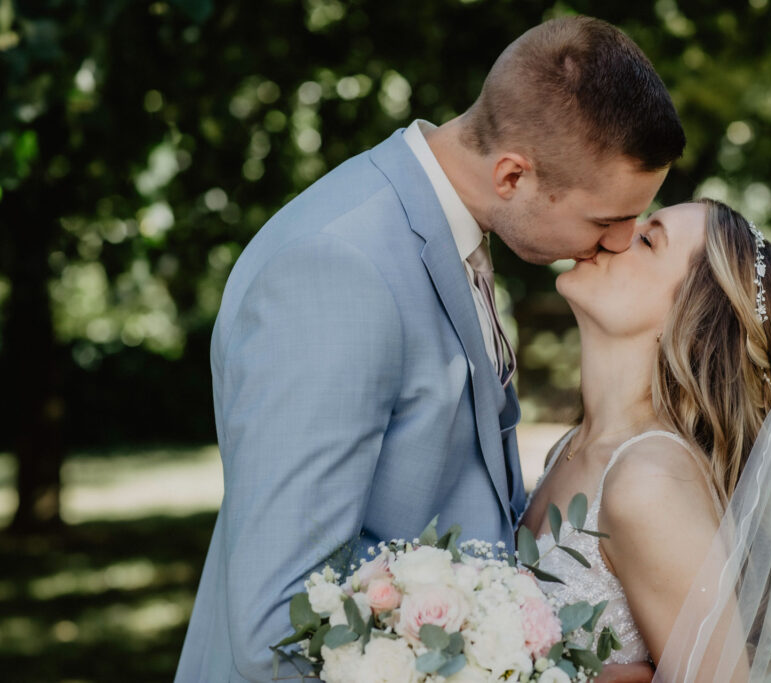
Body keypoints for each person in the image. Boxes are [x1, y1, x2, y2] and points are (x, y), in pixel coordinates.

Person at [175, 16, 685, 682]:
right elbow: (279, 627)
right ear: (512, 177)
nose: (620, 242)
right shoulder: (338, 268)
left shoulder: (452, 232)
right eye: (606, 220)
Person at [521, 198, 771, 682]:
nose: (614, 235)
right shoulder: (569, 447)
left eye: (648, 239)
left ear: (691, 323)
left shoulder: (646, 481)